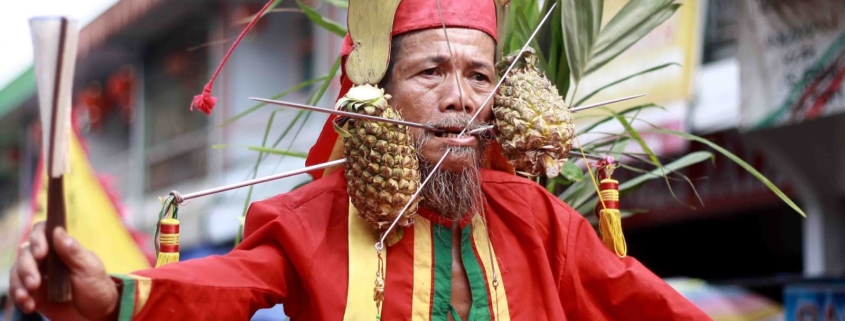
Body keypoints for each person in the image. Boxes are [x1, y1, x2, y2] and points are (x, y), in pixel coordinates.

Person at [9, 0, 712, 320]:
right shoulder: (309, 219)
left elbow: (643, 301)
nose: (459, 98)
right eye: (432, 71)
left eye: (477, 75)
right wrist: (112, 295)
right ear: (376, 93)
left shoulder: (538, 216)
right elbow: (219, 288)